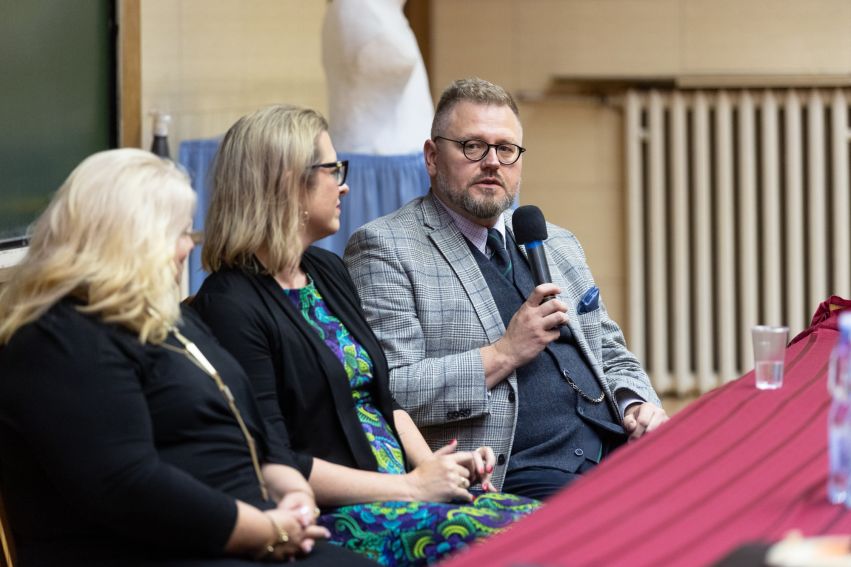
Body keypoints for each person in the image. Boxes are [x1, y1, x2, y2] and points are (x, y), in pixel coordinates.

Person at [191, 105, 540, 566]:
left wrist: (436, 469)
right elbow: (274, 459)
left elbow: (383, 399)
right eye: (332, 170)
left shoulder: (327, 271)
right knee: (515, 541)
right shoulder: (231, 304)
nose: (345, 184)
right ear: (286, 183)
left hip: (404, 494)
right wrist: (412, 489)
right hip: (338, 513)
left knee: (551, 523)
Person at [0, 149, 373, 566]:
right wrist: (266, 529)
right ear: (126, 240)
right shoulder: (56, 340)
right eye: (177, 234)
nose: (185, 251)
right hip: (156, 550)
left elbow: (255, 431)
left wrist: (294, 493)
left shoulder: (167, 318)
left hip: (245, 532)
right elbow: (128, 485)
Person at [344, 77, 669, 501]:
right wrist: (504, 353)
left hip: (616, 442)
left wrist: (635, 404)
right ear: (431, 157)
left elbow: (607, 347)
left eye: (505, 149)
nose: (492, 162)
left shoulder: (556, 241)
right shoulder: (386, 247)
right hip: (516, 466)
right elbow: (393, 390)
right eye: (472, 147)